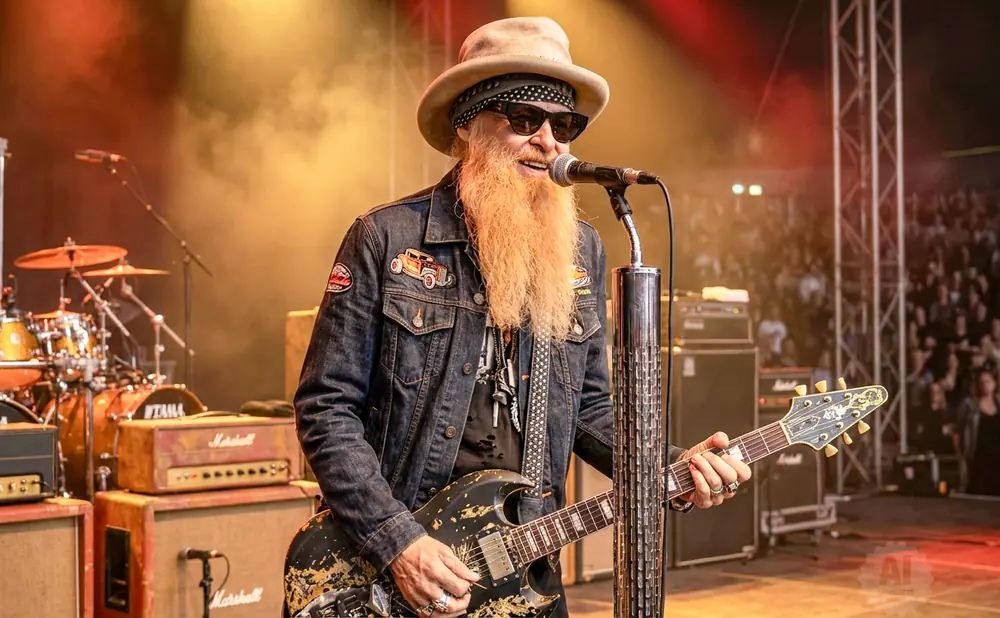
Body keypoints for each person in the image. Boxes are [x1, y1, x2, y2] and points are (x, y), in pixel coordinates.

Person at [294, 17, 752, 618]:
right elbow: (326, 407)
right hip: (399, 569)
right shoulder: (385, 238)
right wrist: (397, 541)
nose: (548, 141)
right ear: (467, 124)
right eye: (523, 118)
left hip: (524, 569)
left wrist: (670, 467)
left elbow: (588, 407)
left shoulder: (581, 250)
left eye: (564, 125)